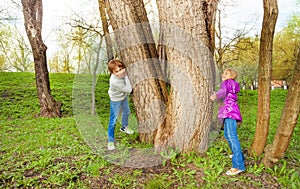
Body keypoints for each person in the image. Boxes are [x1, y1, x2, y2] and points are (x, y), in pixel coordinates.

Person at [210, 68, 245, 175]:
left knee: (231, 136)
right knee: (228, 134)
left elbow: (222, 92)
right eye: (223, 73)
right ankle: (238, 154)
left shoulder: (227, 83)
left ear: (231, 76)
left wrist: (215, 95)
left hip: (229, 112)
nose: (223, 74)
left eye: (226, 73)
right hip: (230, 112)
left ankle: (238, 165)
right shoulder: (232, 84)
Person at [107, 59, 134, 150]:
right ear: (112, 73)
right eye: (117, 72)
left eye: (121, 69)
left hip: (123, 97)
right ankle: (110, 141)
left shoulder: (122, 73)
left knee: (127, 112)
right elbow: (129, 89)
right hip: (115, 100)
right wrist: (126, 76)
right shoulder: (114, 82)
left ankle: (124, 127)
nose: (120, 72)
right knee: (113, 121)